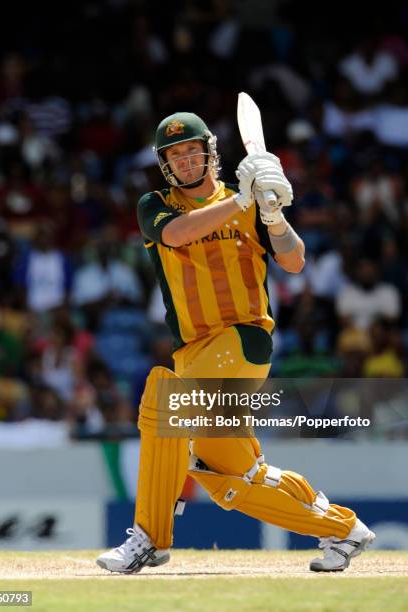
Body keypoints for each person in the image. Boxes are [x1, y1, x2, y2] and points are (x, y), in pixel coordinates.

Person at [96, 112, 375, 574]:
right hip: (195, 350)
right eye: (175, 155)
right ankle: (343, 529)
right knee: (229, 478)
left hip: (242, 341)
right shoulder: (154, 204)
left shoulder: (248, 203)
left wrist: (272, 216)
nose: (185, 161)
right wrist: (243, 199)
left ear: (209, 152)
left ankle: (148, 538)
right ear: (164, 163)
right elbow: (177, 233)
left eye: (192, 151)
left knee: (163, 402)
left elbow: (294, 261)